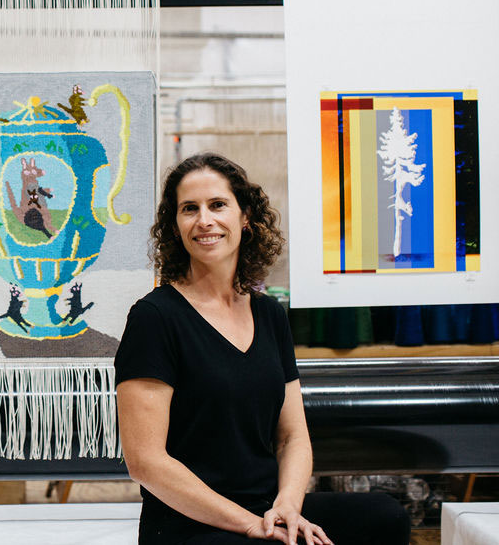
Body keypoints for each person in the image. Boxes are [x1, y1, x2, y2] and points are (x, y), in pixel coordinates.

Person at [114, 153, 409, 545]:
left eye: (218, 205)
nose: (205, 220)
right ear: (175, 225)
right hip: (189, 522)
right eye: (189, 209)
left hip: (266, 507)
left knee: (384, 517)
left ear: (245, 218)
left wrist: (288, 504)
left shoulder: (269, 314)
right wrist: (249, 524)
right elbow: (146, 462)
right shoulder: (154, 318)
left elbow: (292, 438)